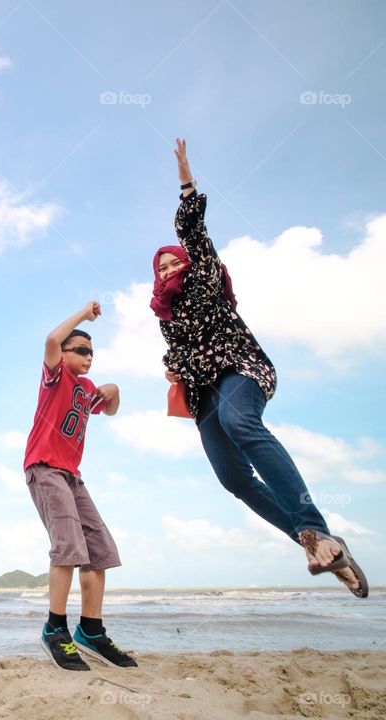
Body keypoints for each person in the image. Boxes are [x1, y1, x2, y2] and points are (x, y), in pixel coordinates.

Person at [152, 138, 367, 598]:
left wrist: (186, 184)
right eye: (161, 266)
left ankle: (316, 527)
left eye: (174, 261)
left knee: (240, 422)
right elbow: (177, 354)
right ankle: (316, 545)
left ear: (189, 264)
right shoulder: (166, 316)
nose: (169, 268)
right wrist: (173, 369)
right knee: (232, 478)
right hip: (203, 392)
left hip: (241, 369)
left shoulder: (205, 276)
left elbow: (193, 231)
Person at [24, 302, 137, 671]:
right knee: (69, 547)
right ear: (66, 354)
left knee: (99, 549)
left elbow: (114, 408)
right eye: (82, 351)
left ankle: (91, 631)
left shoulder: (87, 390)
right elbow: (51, 339)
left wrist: (114, 388)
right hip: (45, 469)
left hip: (73, 476)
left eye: (92, 353)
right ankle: (55, 630)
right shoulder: (55, 376)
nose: (89, 358)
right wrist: (83, 316)